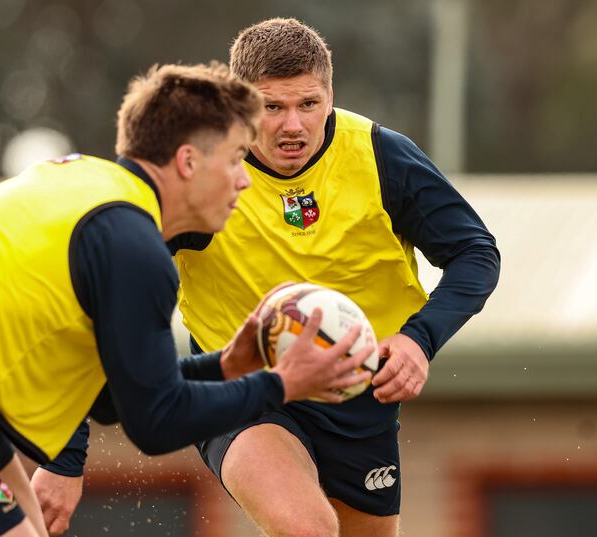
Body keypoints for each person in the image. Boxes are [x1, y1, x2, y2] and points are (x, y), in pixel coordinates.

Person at [34, 18, 501, 537]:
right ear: (238, 105)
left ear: (330, 95)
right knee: (307, 529)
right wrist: (63, 456)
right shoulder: (203, 176)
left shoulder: (380, 156)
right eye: (270, 107)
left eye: (308, 104)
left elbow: (476, 253)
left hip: (360, 396)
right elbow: (92, 300)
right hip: (244, 391)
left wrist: (419, 340)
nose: (293, 126)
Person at [0, 62, 375, 537]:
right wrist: (282, 384)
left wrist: (230, 363)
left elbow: (113, 399)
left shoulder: (92, 183)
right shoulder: (134, 246)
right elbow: (155, 423)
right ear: (188, 161)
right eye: (237, 159)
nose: (245, 179)